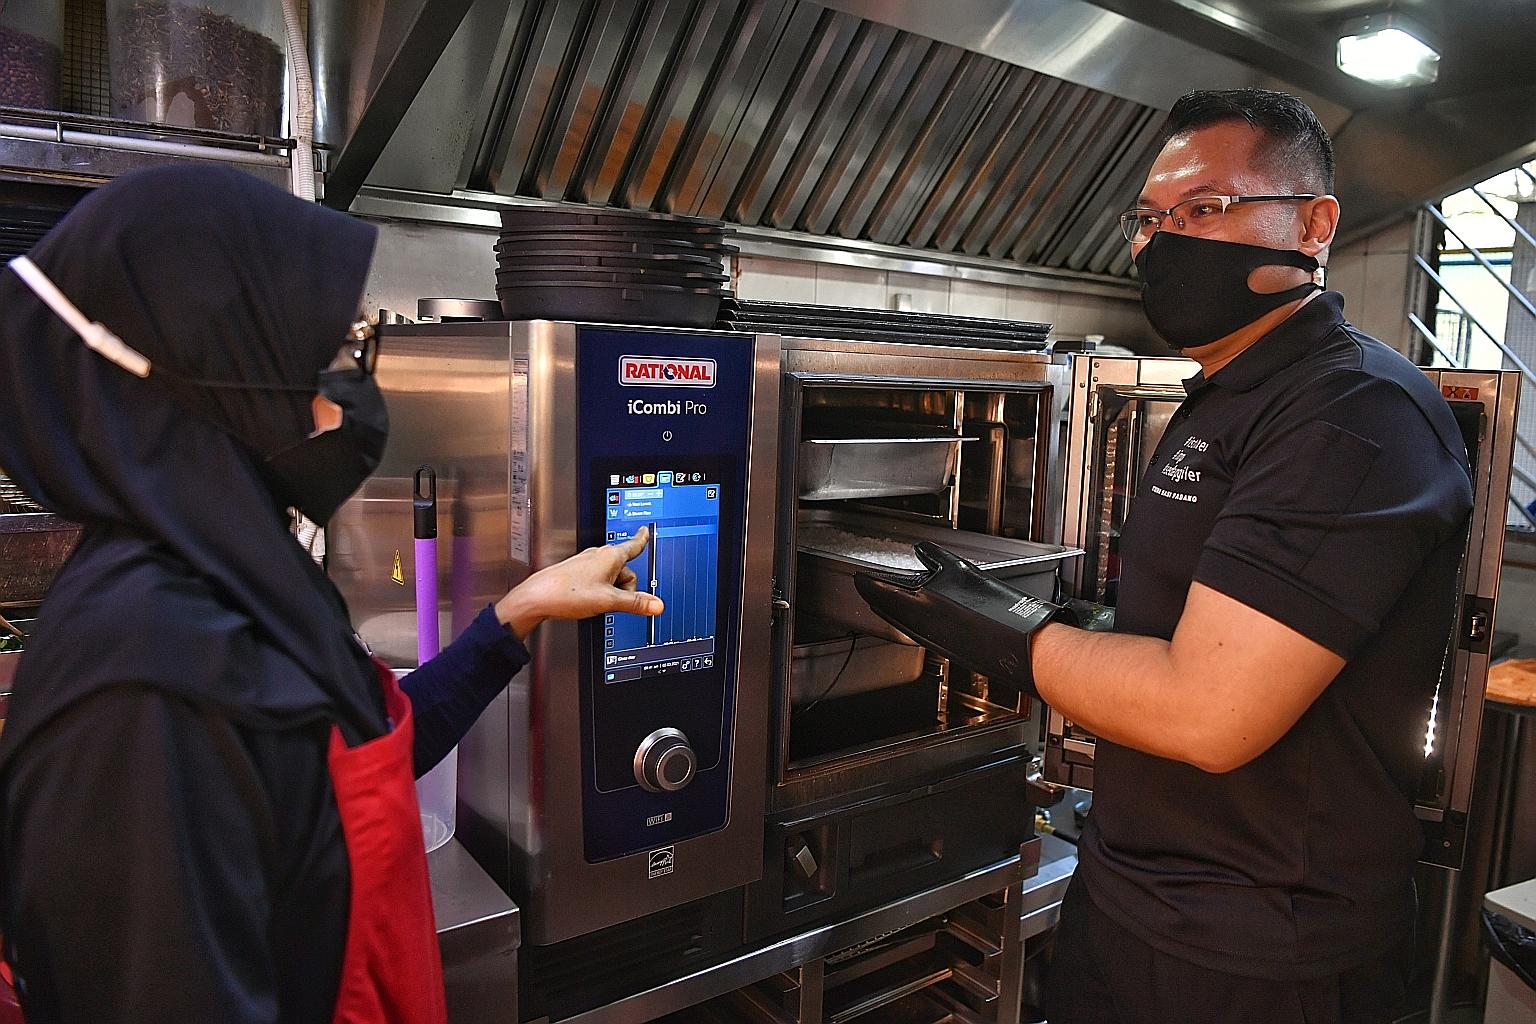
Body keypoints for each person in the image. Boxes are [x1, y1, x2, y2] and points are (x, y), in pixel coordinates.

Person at [857, 89, 1474, 1023]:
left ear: (1312, 225)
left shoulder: (1353, 414)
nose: (1161, 242)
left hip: (1264, 954)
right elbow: (1192, 621)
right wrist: (1076, 631)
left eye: (1206, 208)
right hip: (1132, 898)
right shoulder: (1224, 396)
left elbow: (1210, 709)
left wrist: (1014, 639)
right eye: (1149, 219)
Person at [0, 166, 663, 1023]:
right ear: (212, 369)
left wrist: (520, 612)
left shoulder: (225, 587)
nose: (351, 389)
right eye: (327, 351)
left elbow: (352, 754)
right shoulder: (145, 688)